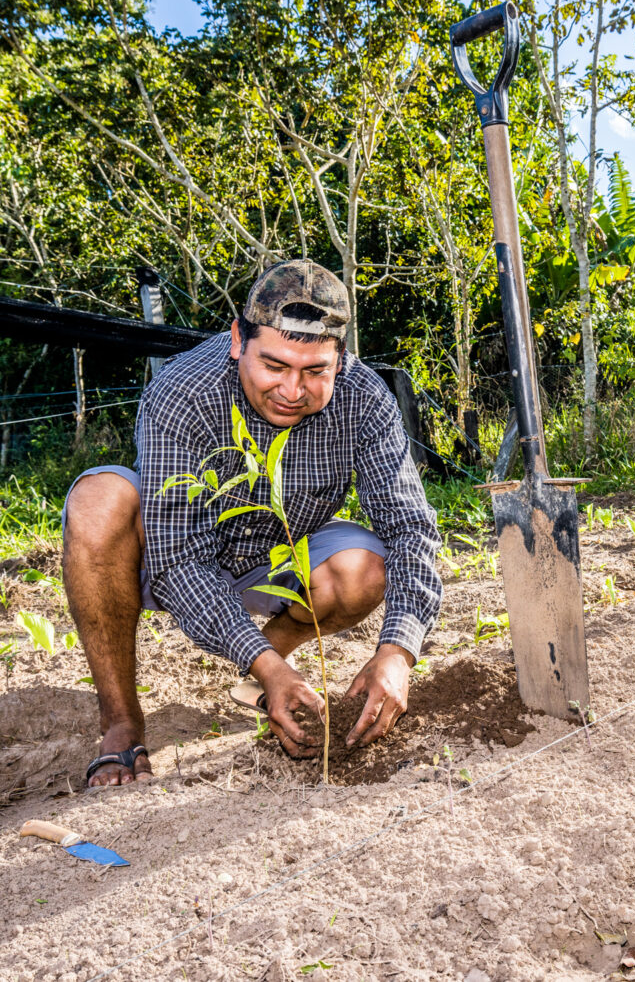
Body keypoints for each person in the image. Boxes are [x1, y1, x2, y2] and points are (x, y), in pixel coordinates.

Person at [61, 259, 443, 786]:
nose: (292, 389)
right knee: (97, 501)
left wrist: (398, 652)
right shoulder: (183, 390)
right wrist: (262, 661)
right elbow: (179, 559)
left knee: (363, 568)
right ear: (239, 340)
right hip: (175, 556)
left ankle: (265, 669)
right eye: (274, 366)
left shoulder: (365, 399)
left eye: (315, 372)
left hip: (279, 556)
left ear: (340, 359)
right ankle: (121, 723)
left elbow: (410, 528)